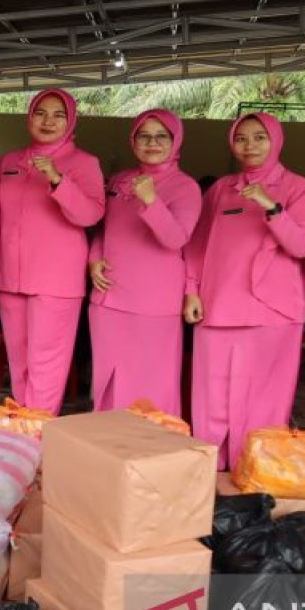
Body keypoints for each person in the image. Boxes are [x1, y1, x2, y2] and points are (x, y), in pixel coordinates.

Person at [184, 112, 305, 471]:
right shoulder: (221, 189)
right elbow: (196, 245)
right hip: (217, 308)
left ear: (276, 140)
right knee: (212, 397)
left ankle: (254, 469)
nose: (249, 146)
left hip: (273, 313)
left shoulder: (294, 188)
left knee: (263, 399)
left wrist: (272, 208)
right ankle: (211, 473)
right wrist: (191, 290)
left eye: (259, 137)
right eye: (241, 138)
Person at [0, 89, 105, 413]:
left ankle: (38, 433)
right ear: (29, 117)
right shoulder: (9, 161)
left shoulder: (83, 163)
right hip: (9, 276)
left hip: (55, 280)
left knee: (46, 365)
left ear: (70, 122)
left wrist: (58, 179)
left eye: (58, 115)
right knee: (18, 360)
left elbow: (91, 215)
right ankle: (21, 429)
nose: (48, 121)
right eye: (41, 113)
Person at [88, 109, 201, 414]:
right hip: (109, 299)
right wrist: (94, 258)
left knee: (150, 383)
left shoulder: (185, 187)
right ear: (133, 140)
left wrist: (152, 201)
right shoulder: (121, 180)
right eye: (144, 135)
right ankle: (110, 449)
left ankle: (149, 453)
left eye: (161, 136)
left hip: (154, 304)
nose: (152, 142)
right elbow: (104, 228)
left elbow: (176, 239)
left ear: (175, 141)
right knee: (107, 380)